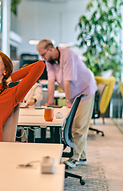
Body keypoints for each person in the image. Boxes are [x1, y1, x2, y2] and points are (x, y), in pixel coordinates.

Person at [36, 39, 97, 168]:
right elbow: (51, 81)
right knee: (76, 124)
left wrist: (68, 100)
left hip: (85, 90)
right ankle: (82, 157)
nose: (43, 58)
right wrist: (49, 102)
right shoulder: (50, 61)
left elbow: (67, 80)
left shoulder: (67, 54)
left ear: (51, 49)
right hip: (74, 93)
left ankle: (75, 157)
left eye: (43, 54)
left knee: (79, 124)